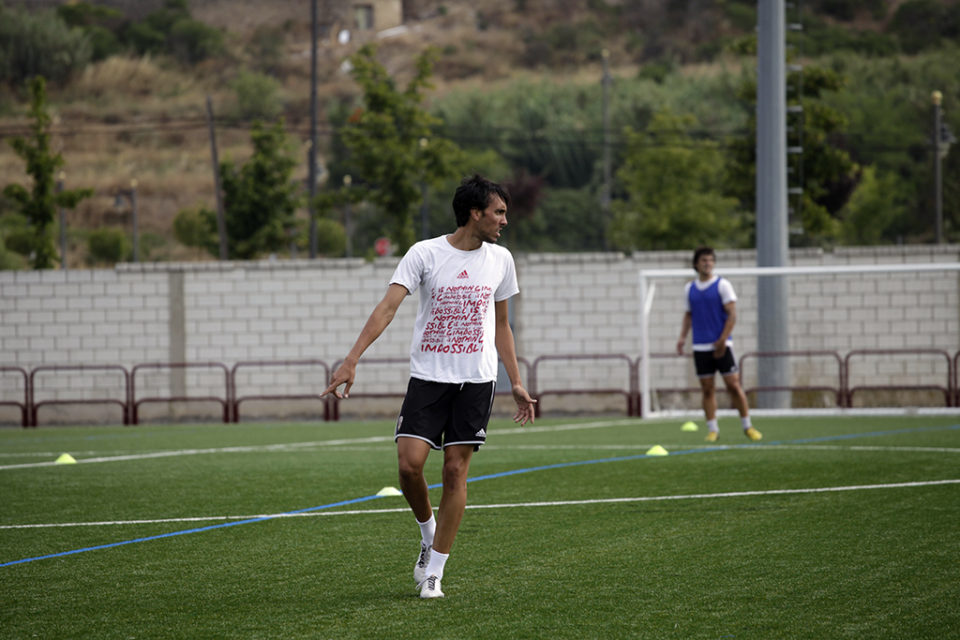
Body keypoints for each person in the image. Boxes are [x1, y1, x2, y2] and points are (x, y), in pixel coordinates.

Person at [322, 174, 537, 599]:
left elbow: (502, 325)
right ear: (474, 213)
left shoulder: (501, 260)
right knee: (409, 466)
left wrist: (515, 381)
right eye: (498, 212)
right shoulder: (424, 253)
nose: (504, 221)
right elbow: (387, 308)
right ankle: (428, 533)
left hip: (476, 381)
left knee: (455, 470)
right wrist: (351, 359)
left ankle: (435, 571)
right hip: (428, 378)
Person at [675, 247, 762, 443]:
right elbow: (688, 316)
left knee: (733, 385)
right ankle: (713, 430)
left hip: (722, 345)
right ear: (696, 264)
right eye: (703, 260)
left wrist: (722, 340)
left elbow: (732, 315)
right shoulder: (689, 289)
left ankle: (747, 426)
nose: (707, 264)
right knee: (707, 389)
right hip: (700, 346)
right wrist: (682, 338)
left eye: (710, 260)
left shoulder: (723, 285)